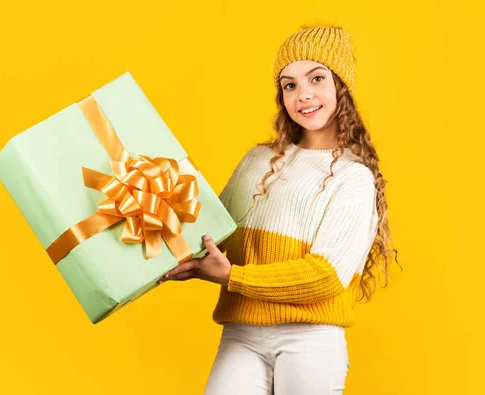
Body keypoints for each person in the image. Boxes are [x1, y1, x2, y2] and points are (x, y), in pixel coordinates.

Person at [158, 23, 400, 395]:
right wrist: (161, 248)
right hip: (241, 334)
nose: (303, 94)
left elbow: (325, 277)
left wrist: (232, 277)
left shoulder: (353, 178)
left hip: (310, 341)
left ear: (341, 86)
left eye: (316, 78)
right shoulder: (257, 161)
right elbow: (212, 234)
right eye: (290, 85)